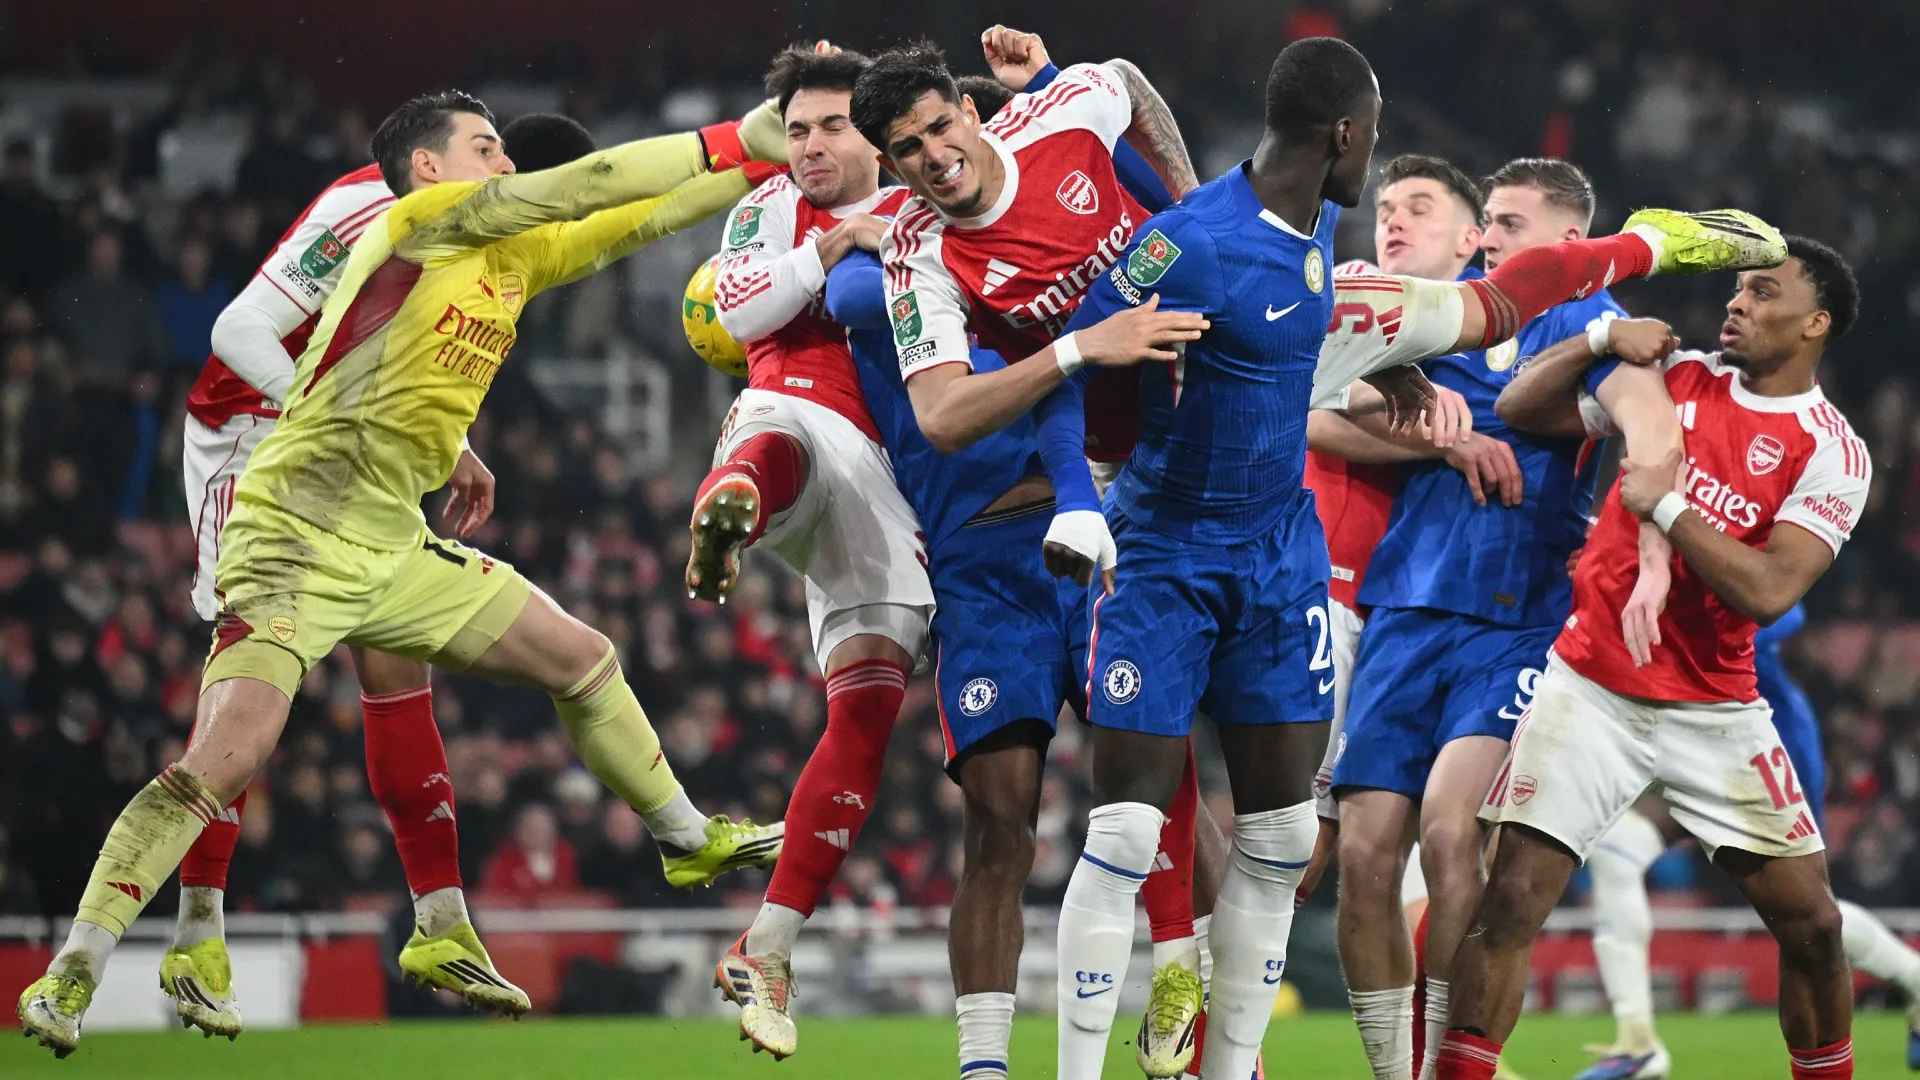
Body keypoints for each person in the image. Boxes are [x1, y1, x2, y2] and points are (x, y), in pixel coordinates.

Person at [15, 89, 786, 1059]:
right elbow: (240, 333)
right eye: (488, 149)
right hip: (275, 490)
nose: (508, 169)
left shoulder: (513, 252)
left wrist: (778, 163)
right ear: (433, 166)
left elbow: (632, 214)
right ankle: (130, 953)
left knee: (553, 658)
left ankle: (596, 868)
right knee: (231, 749)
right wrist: (735, 136)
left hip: (385, 529)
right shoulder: (404, 214)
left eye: (511, 156)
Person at [161, 110, 603, 1037]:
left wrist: (455, 443)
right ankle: (197, 930)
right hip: (250, 437)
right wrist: (329, 418)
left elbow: (398, 360)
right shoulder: (366, 209)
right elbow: (239, 330)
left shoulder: (466, 232)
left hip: (353, 458)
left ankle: (441, 921)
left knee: (400, 661)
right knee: (248, 696)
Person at [822, 50, 1201, 1080]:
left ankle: (1189, 1002)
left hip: (1126, 512)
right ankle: (985, 1066)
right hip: (992, 565)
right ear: (891, 165)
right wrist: (1083, 347)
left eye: (945, 127)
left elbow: (1129, 76)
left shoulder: (1064, 119)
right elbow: (938, 412)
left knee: (1152, 778)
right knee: (999, 822)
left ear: (975, 113)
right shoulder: (902, 262)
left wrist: (1193, 202)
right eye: (909, 151)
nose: (938, 157)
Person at [1440, 237, 1868, 1080]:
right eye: (1737, 288)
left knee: (1815, 927)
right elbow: (1524, 409)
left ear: (1816, 322)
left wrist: (1667, 505)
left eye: (1764, 292)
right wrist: (1595, 343)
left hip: (1714, 709)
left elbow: (1772, 589)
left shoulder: (1831, 451)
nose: (1737, 303)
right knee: (1511, 901)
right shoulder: (1679, 379)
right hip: (1591, 686)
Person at [688, 45, 924, 1063]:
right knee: (774, 433)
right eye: (798, 128)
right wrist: (831, 248)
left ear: (876, 133)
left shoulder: (929, 197)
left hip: (895, 485)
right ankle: (732, 496)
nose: (812, 145)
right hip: (795, 410)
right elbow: (730, 311)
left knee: (867, 712)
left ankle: (769, 946)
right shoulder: (774, 209)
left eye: (833, 127)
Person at [1573, 602, 1920, 1080]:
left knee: (1803, 910)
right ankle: (1638, 1043)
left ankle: (1917, 980)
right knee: (1617, 852)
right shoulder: (1631, 544)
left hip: (1765, 738)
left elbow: (1783, 606)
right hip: (1686, 735)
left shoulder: (1722, 533)